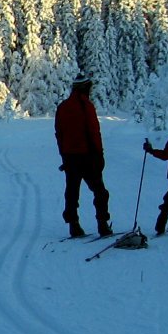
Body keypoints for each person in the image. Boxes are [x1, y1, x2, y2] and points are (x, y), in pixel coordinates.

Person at [53, 75, 111, 238]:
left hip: (70, 158)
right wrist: (100, 155)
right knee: (100, 192)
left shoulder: (63, 107)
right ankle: (102, 224)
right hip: (88, 157)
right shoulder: (87, 106)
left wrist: (64, 156)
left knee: (72, 192)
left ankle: (74, 225)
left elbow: (59, 134)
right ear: (85, 88)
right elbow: (94, 132)